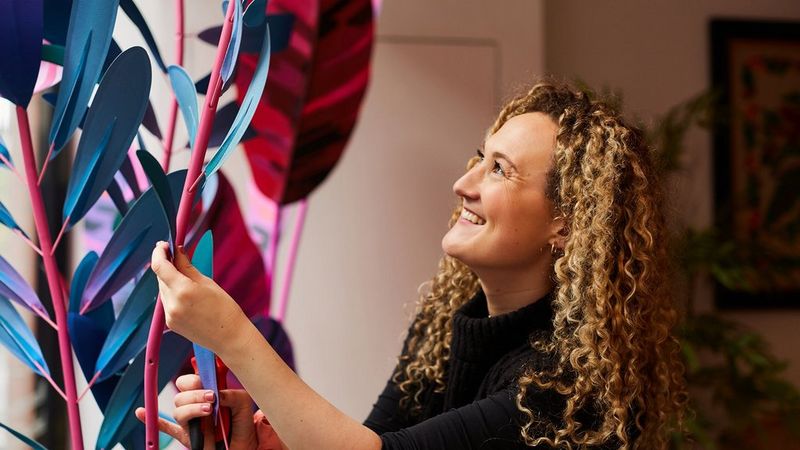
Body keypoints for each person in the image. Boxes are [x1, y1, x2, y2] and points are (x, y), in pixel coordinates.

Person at [136, 80, 687, 449]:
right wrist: (272, 441)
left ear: (567, 223)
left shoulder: (562, 388)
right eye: (480, 158)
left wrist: (232, 335)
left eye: (500, 170)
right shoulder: (444, 333)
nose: (463, 183)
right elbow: (372, 438)